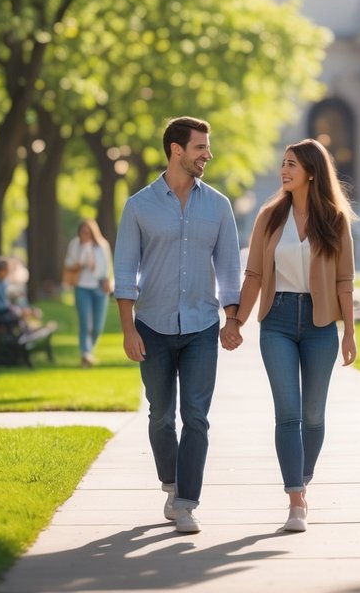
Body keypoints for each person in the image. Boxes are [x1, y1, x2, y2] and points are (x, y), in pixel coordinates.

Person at [220, 138, 357, 533]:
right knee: (289, 414)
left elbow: (345, 281)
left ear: (311, 172)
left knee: (313, 417)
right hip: (277, 320)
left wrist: (349, 332)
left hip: (320, 327)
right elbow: (255, 275)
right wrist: (236, 322)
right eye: (283, 163)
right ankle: (296, 499)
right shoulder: (269, 217)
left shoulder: (334, 219)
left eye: (292, 165)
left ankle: (302, 475)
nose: (284, 170)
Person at [113, 116, 241, 535]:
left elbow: (228, 268)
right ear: (176, 150)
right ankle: (171, 485)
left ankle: (186, 502)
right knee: (160, 417)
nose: (207, 154)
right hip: (152, 325)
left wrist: (232, 319)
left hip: (202, 325)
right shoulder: (139, 206)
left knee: (197, 417)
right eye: (200, 147)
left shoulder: (219, 206)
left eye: (207, 146)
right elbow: (125, 270)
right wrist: (128, 328)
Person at [63, 219, 113, 367]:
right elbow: (68, 264)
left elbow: (108, 266)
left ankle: (89, 352)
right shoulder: (75, 245)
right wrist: (81, 258)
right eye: (82, 232)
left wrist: (108, 281)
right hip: (82, 287)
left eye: (88, 232)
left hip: (99, 287)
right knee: (86, 323)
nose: (85, 235)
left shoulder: (102, 245)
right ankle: (85, 353)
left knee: (97, 326)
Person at [0, 256, 41, 330]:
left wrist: (18, 309)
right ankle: (24, 333)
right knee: (17, 315)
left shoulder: (1, 283)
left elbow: (4, 303)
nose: (8, 272)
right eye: (7, 270)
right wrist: (19, 311)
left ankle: (26, 330)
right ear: (0, 271)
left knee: (19, 313)